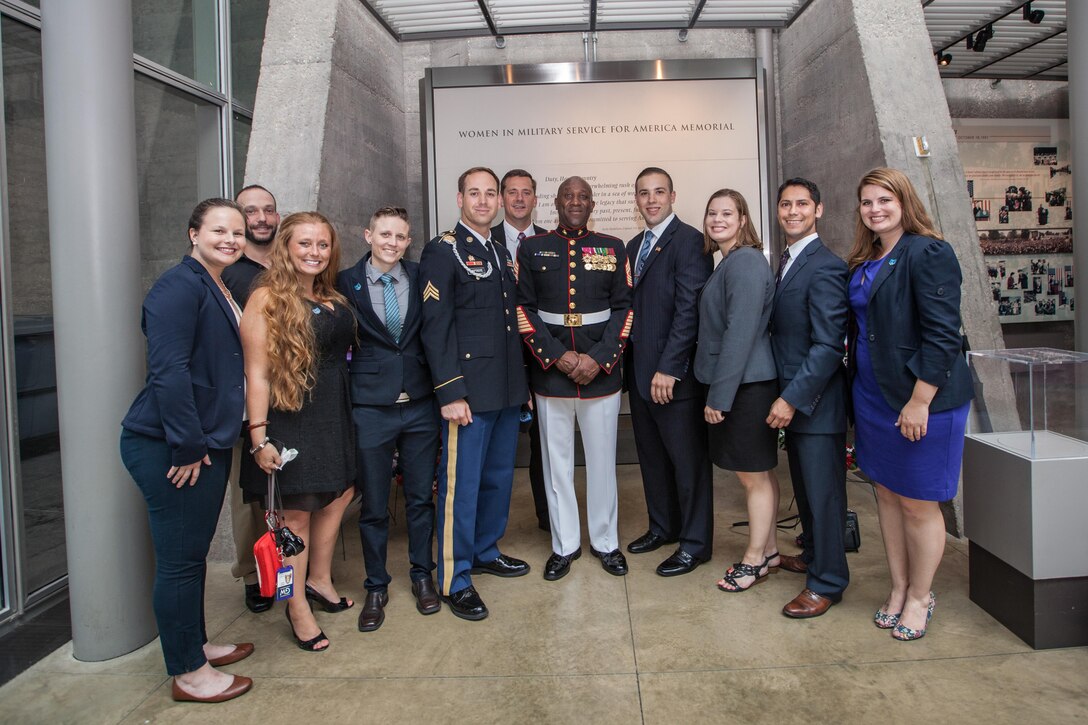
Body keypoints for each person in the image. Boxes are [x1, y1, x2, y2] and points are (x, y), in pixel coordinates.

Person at [120, 198, 253, 703]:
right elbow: (168, 371)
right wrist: (187, 446)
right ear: (192, 233)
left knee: (191, 556)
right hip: (171, 446)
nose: (231, 239)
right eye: (219, 230)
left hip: (201, 442)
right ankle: (189, 674)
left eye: (237, 233)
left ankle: (195, 646)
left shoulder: (214, 282)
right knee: (178, 561)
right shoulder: (177, 286)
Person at [847, 167, 973, 640]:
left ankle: (921, 596)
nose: (875, 209)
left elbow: (943, 335)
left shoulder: (929, 252)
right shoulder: (866, 257)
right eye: (866, 202)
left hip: (923, 400)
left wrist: (920, 400)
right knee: (886, 493)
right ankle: (899, 587)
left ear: (904, 202)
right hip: (873, 397)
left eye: (885, 200)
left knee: (920, 504)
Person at [240, 211, 357, 652]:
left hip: (332, 413)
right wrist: (258, 438)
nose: (314, 252)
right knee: (295, 519)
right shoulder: (266, 299)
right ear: (286, 247)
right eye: (304, 244)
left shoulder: (330, 295)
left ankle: (320, 581)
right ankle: (296, 608)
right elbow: (257, 375)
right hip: (289, 418)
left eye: (322, 245)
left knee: (338, 495)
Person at [419, 167, 531, 621]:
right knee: (459, 489)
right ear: (459, 197)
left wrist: (520, 388)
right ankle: (454, 577)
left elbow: (509, 327)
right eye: (475, 193)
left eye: (491, 194)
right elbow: (435, 327)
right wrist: (449, 391)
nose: (484, 201)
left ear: (501, 202)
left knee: (497, 479)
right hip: (466, 395)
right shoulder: (442, 252)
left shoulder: (501, 252)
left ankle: (485, 549)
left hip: (504, 392)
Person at [516, 176, 632, 580]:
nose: (576, 202)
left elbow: (624, 309)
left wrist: (599, 359)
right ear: (557, 202)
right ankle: (564, 545)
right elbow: (524, 309)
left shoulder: (613, 248)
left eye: (583, 196)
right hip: (552, 374)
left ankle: (605, 541)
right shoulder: (532, 248)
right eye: (569, 195)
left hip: (601, 375)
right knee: (556, 464)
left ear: (593, 203)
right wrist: (558, 356)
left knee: (602, 464)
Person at [338, 207, 441, 631]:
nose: (392, 243)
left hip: (419, 403)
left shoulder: (421, 276)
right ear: (368, 235)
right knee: (374, 505)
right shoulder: (345, 282)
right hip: (370, 407)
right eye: (385, 234)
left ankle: (422, 576)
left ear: (408, 240)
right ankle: (376, 585)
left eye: (400, 236)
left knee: (420, 498)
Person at [766, 178, 850, 619]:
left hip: (816, 405)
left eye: (802, 204)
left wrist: (792, 399)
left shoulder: (826, 266)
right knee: (806, 490)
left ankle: (828, 582)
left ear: (819, 209)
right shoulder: (789, 260)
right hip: (797, 402)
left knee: (824, 497)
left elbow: (828, 346)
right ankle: (815, 558)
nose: (792, 211)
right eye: (785, 204)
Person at [624, 167, 714, 577]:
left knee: (688, 463)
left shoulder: (691, 241)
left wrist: (669, 369)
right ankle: (663, 527)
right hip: (640, 377)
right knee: (653, 459)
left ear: (673, 196)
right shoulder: (632, 246)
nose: (652, 199)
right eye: (644, 193)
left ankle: (695, 544)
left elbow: (688, 311)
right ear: (637, 199)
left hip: (672, 378)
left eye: (659, 192)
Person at [693, 189, 780, 592]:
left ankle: (754, 560)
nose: (718, 220)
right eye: (712, 213)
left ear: (743, 219)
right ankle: (772, 550)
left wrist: (718, 398)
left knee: (752, 479)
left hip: (745, 387)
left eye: (727, 213)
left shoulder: (744, 262)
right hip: (744, 383)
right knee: (759, 473)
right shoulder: (728, 261)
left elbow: (739, 336)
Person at [222, 183, 281, 614]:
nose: (261, 218)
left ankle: (286, 566)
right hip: (245, 397)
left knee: (289, 487)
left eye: (268, 210)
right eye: (251, 212)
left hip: (291, 394)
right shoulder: (227, 270)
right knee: (249, 492)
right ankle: (252, 572)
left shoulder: (290, 262)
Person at [491, 169, 550, 532]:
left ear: (535, 199)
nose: (518, 199)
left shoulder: (550, 240)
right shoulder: (485, 239)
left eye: (525, 192)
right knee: (496, 449)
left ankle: (549, 519)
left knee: (545, 447)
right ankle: (491, 531)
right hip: (498, 360)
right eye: (511, 192)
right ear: (501, 198)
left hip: (542, 357)